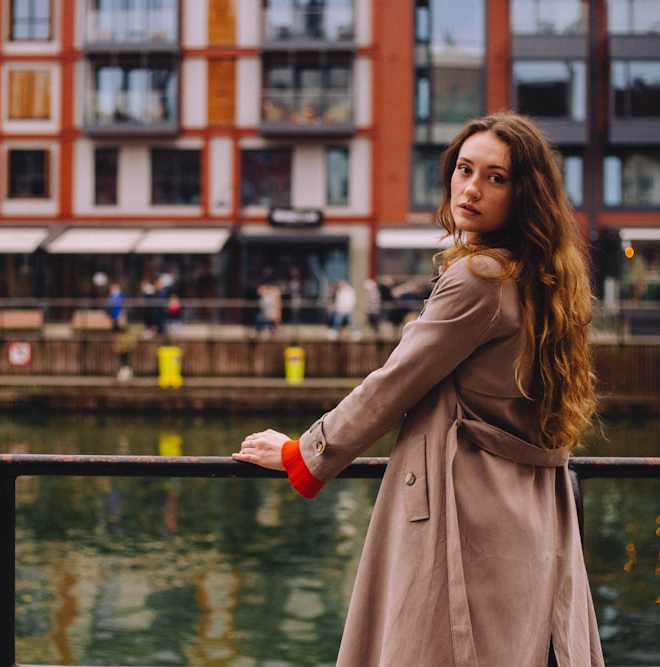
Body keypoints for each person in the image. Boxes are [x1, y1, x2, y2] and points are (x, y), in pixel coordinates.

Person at [233, 112, 603, 666]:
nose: (471, 188)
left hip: (468, 520)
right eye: (463, 169)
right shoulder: (544, 278)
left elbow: (393, 385)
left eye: (495, 177)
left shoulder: (480, 276)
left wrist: (300, 455)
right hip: (530, 518)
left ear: (524, 193)